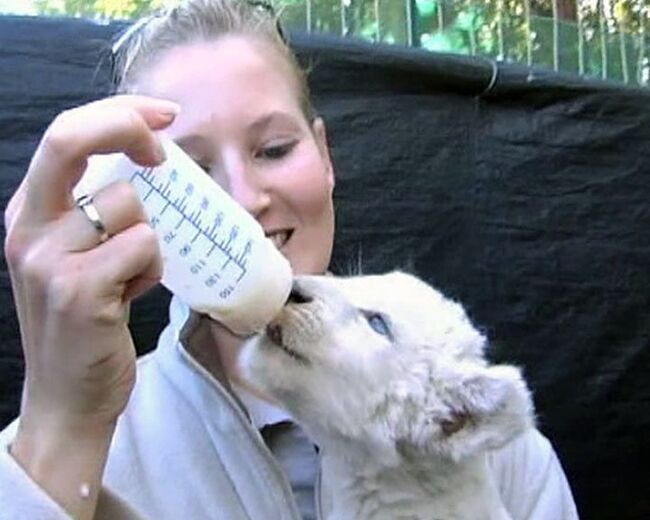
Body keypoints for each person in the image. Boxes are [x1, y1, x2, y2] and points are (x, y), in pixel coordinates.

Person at [0, 1, 579, 519]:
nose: (244, 200)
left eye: (274, 149)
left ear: (324, 155)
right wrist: (64, 426)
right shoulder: (85, 447)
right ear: (133, 208)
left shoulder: (499, 454)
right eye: (191, 178)